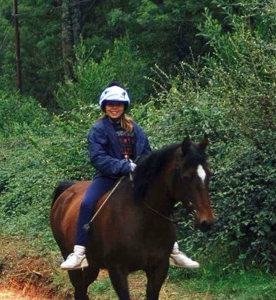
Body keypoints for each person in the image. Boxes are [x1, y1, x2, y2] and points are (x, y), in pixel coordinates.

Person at [60, 82, 199, 270]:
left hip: (134, 177)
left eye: (118, 104)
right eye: (110, 104)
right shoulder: (98, 129)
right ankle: (79, 252)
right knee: (86, 203)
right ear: (104, 106)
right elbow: (98, 158)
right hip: (107, 177)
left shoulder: (135, 128)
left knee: (160, 200)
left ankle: (173, 250)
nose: (114, 107)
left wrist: (140, 166)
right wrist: (123, 166)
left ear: (124, 106)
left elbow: (146, 153)